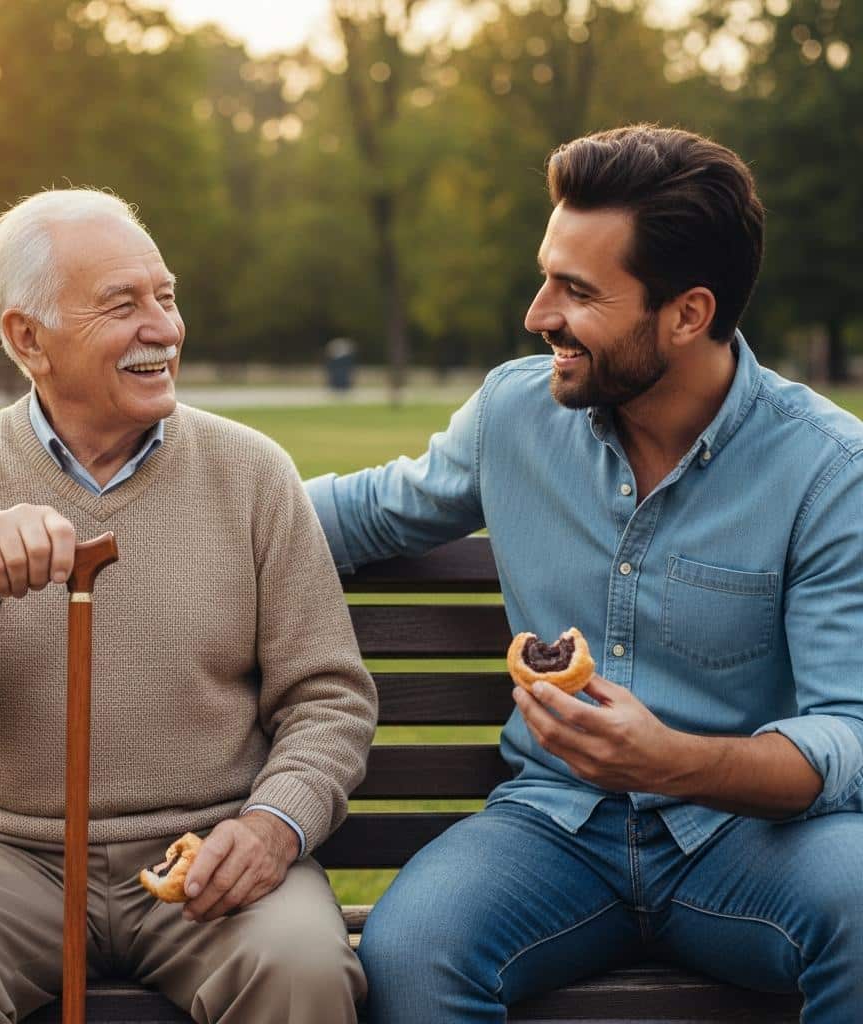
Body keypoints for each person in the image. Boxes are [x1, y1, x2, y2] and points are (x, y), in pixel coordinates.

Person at [305, 125, 863, 1023]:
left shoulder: (829, 471)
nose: (537, 314)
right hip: (551, 829)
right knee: (409, 955)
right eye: (545, 275)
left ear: (686, 313)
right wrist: (147, 507)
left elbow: (850, 732)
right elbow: (361, 512)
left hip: (749, 840)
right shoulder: (515, 414)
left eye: (577, 290)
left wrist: (676, 762)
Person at [0, 189, 377, 1024]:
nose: (163, 328)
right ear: (28, 338)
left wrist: (275, 824)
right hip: (8, 857)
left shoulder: (252, 471)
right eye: (122, 305)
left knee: (303, 970)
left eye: (165, 296)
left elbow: (330, 697)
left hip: (210, 849)